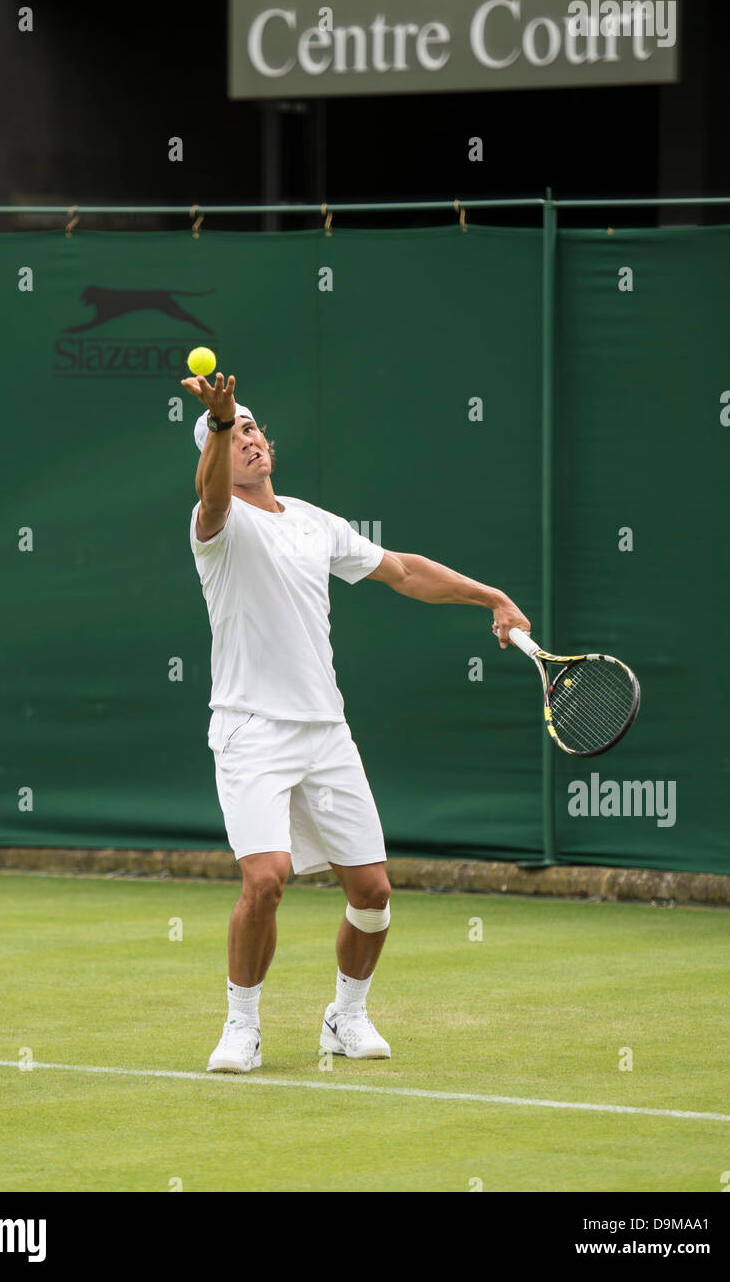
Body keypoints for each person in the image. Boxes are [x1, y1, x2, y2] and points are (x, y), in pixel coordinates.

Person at [183, 371, 531, 1073]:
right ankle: (240, 1026)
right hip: (251, 729)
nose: (246, 438)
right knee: (266, 877)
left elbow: (402, 571)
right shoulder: (215, 525)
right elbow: (210, 494)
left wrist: (488, 595)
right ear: (215, 453)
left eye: (251, 427)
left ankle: (344, 1016)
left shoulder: (314, 522)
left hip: (324, 732)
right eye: (232, 433)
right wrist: (216, 421)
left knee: (371, 894)